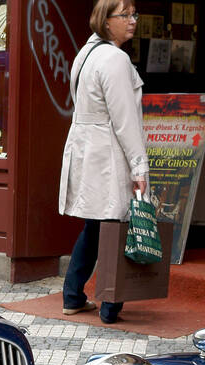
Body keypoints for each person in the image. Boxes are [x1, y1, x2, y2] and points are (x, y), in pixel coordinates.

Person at [58, 0, 148, 324]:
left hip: (90, 149)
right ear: (106, 20)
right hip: (109, 153)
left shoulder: (86, 54)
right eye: (125, 15)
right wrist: (140, 167)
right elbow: (126, 120)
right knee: (117, 225)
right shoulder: (114, 59)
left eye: (133, 14)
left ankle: (73, 295)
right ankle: (111, 305)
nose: (132, 20)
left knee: (96, 225)